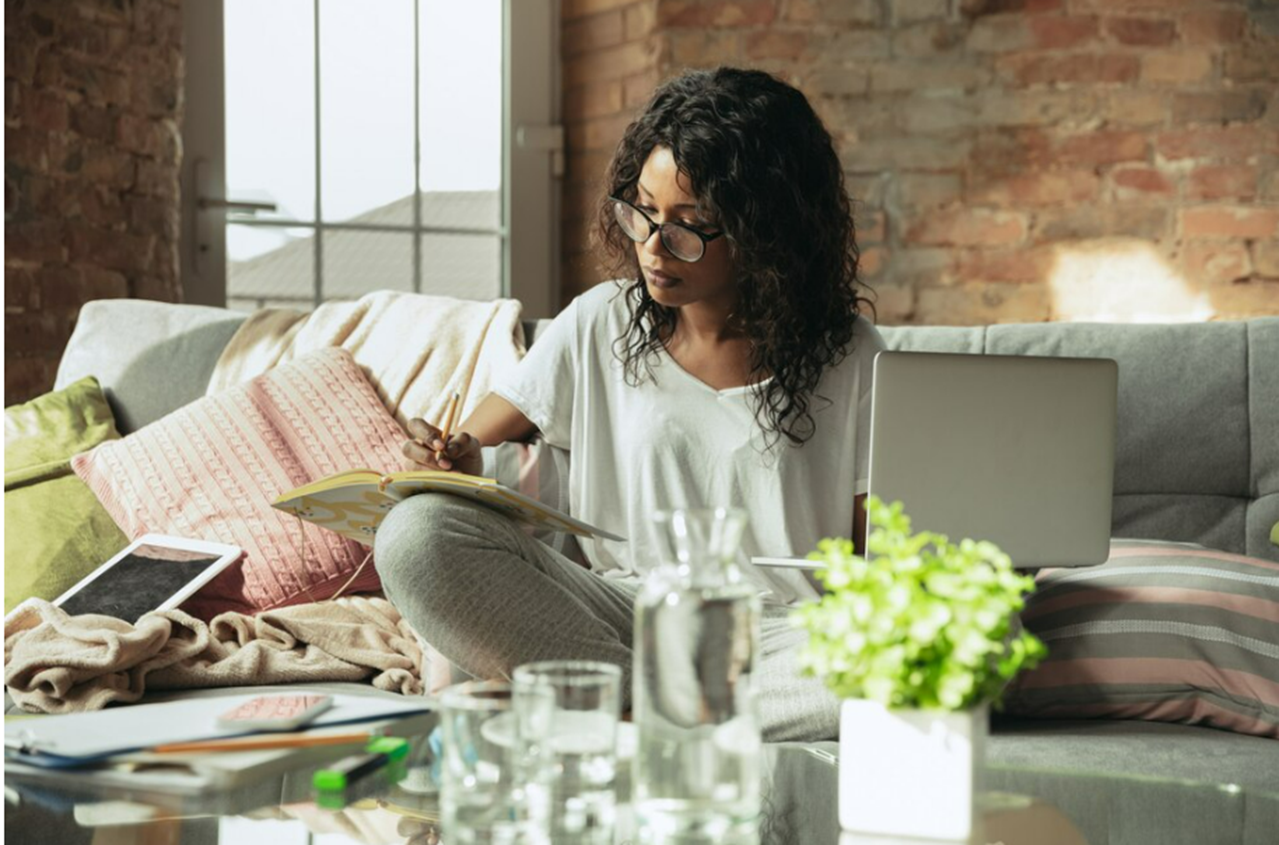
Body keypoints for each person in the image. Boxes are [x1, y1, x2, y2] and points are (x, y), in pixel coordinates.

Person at [374, 66, 884, 742]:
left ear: (767, 232)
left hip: (788, 640)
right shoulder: (596, 323)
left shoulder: (850, 352)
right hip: (621, 614)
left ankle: (614, 712)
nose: (651, 246)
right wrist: (450, 458)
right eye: (643, 211)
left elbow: (883, 554)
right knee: (415, 537)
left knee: (968, 640)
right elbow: (454, 460)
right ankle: (660, 713)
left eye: (689, 225)